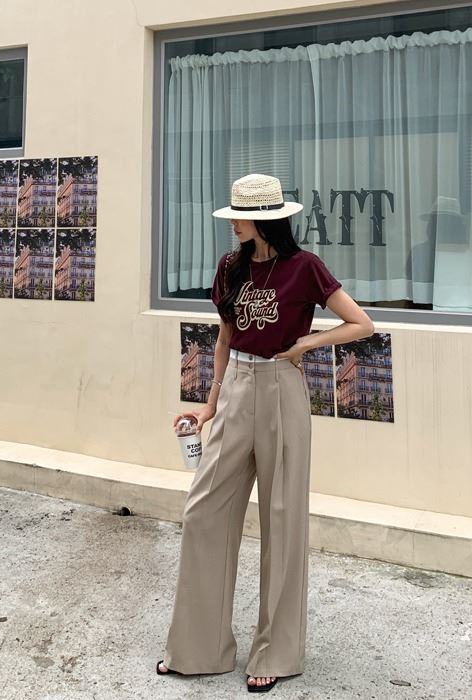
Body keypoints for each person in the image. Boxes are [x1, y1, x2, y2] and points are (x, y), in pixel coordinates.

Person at [157, 173, 375, 693]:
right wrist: (209, 405)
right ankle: (199, 646)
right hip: (236, 387)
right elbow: (224, 338)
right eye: (234, 214)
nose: (233, 223)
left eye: (241, 215)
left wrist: (304, 345)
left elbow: (361, 324)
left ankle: (276, 650)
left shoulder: (305, 267)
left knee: (283, 521)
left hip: (282, 389)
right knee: (203, 512)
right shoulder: (230, 267)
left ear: (265, 220)